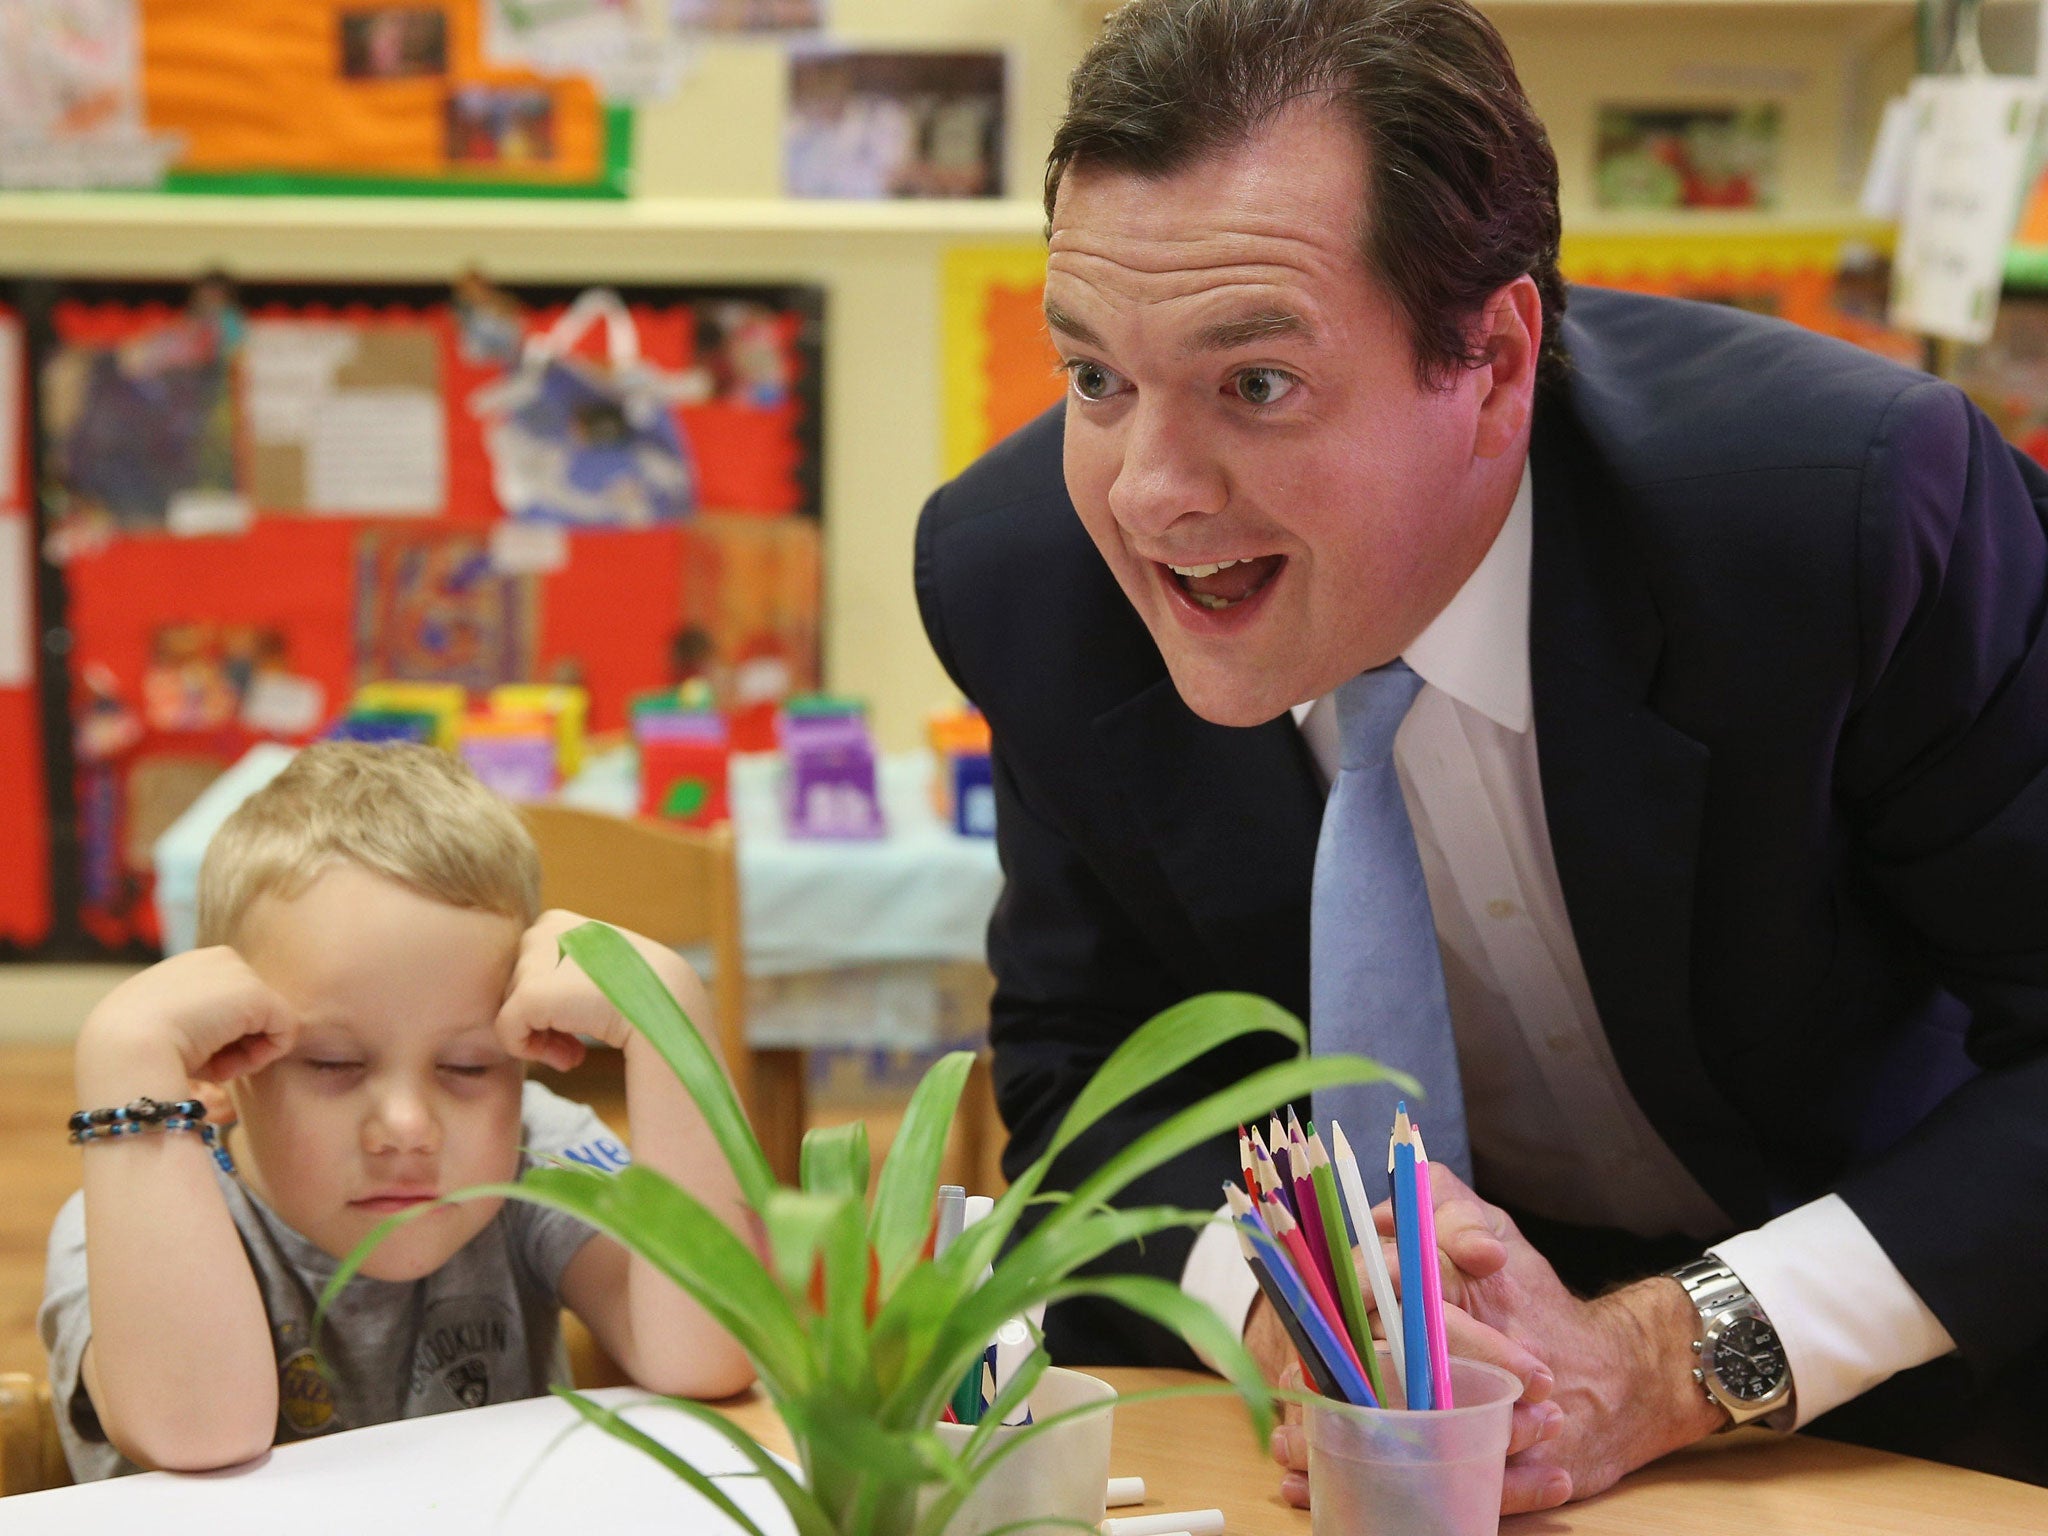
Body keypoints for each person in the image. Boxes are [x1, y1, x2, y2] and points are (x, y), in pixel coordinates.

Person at [913, 0, 2048, 1513]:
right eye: (1097, 378)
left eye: (1256, 383)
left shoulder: (1835, 519)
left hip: (1910, 1380)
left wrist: (1666, 1358)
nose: (1148, 495)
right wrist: (1289, 1310)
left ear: (1497, 362)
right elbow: (1096, 1075)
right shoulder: (1022, 580)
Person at [39, 742, 754, 1480]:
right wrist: (128, 1058)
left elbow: (709, 1353)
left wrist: (667, 1026)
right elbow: (199, 1435)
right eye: (334, 1065)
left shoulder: (537, 1156)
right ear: (219, 1060)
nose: (409, 1127)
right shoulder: (126, 1217)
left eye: (468, 1066)